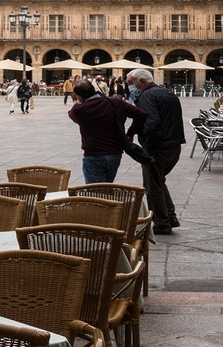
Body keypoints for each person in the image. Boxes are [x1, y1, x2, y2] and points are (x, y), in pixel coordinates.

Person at [126, 68, 185, 235]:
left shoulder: (146, 96)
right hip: (174, 146)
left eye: (132, 83)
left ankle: (161, 223)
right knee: (159, 182)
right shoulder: (167, 92)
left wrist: (148, 151)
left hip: (159, 148)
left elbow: (151, 124)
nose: (131, 87)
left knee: (152, 186)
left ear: (142, 82)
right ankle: (170, 218)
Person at [69, 79, 148, 184]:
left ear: (78, 96)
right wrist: (130, 133)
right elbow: (141, 114)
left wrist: (79, 101)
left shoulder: (79, 110)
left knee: (95, 193)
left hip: (94, 155)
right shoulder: (115, 102)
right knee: (106, 190)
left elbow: (71, 113)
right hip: (115, 155)